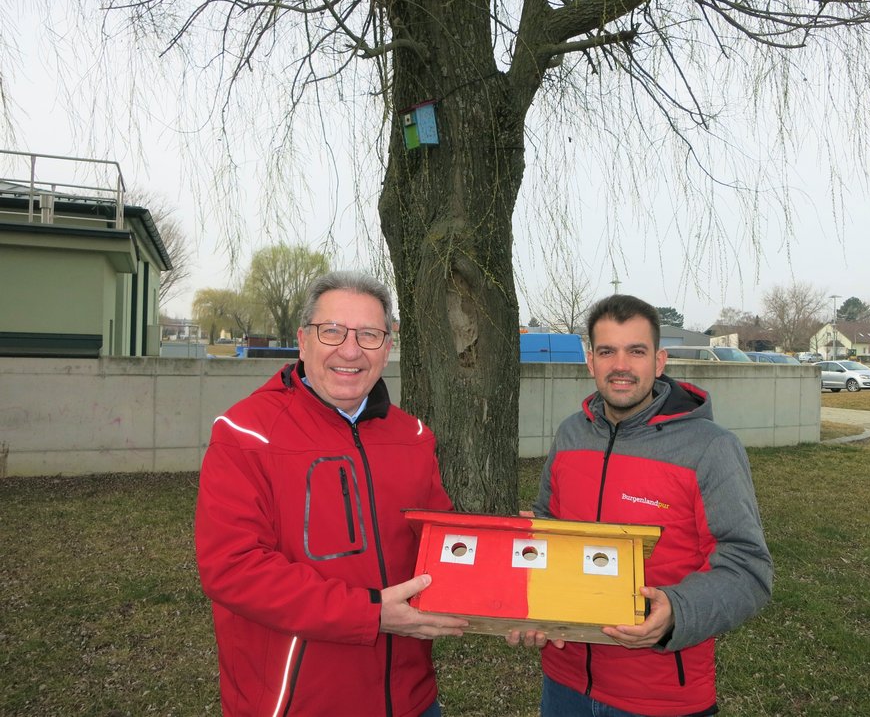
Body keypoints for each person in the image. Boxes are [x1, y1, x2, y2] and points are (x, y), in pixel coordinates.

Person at [195, 270, 468, 717]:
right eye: (333, 331)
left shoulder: (413, 436)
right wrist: (371, 613)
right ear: (303, 341)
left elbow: (439, 548)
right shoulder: (246, 433)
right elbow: (233, 568)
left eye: (369, 334)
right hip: (297, 704)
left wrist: (512, 600)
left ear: (387, 347)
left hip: (410, 701)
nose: (350, 350)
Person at [508, 294, 773, 717]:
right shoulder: (571, 435)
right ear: (590, 361)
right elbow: (548, 528)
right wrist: (524, 590)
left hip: (661, 694)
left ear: (659, 361)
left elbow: (749, 569)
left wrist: (676, 613)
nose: (621, 366)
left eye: (636, 351)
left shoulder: (710, 448)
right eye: (607, 351)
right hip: (564, 683)